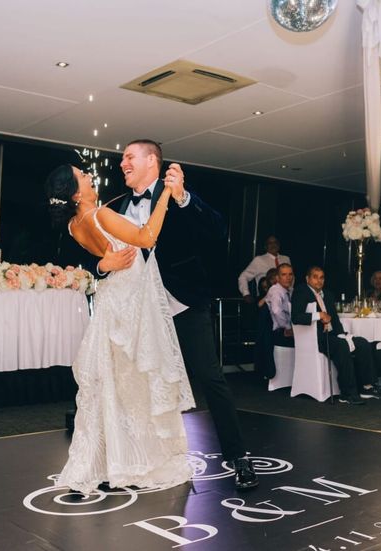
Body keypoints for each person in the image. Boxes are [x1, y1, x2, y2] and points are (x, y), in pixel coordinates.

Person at [110, 139, 258, 489]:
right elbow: (103, 256)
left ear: (152, 161)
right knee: (138, 384)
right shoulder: (116, 207)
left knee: (210, 377)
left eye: (129, 157)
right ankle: (137, 460)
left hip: (184, 305)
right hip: (139, 313)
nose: (122, 164)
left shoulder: (178, 196)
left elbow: (218, 230)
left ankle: (239, 457)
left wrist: (183, 198)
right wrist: (105, 267)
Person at [45, 162, 194, 494]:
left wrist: (101, 263)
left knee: (119, 383)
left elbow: (102, 255)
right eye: (83, 176)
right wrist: (167, 193)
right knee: (136, 381)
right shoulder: (98, 216)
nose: (89, 176)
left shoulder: (74, 224)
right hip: (130, 301)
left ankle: (119, 456)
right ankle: (137, 459)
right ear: (74, 192)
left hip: (114, 300)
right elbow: (147, 237)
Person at [291, 266, 377, 405]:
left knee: (362, 343)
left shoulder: (328, 294)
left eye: (322, 277)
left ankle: (366, 386)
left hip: (332, 334)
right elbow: (296, 317)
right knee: (341, 346)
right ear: (307, 279)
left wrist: (343, 334)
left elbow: (335, 320)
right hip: (316, 338)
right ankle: (347, 393)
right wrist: (319, 315)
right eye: (315, 277)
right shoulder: (302, 291)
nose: (319, 281)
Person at [238, 236, 290, 303]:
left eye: (275, 242)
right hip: (266, 300)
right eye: (270, 243)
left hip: (285, 299)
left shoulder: (286, 259)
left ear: (279, 245)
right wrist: (246, 294)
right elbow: (243, 277)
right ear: (266, 246)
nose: (273, 245)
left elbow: (291, 278)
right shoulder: (259, 260)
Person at [265, 263, 296, 348]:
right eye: (284, 274)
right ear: (277, 278)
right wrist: (288, 327)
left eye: (290, 274)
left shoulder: (291, 290)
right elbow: (276, 311)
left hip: (290, 332)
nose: (288, 278)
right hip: (280, 333)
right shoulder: (276, 290)